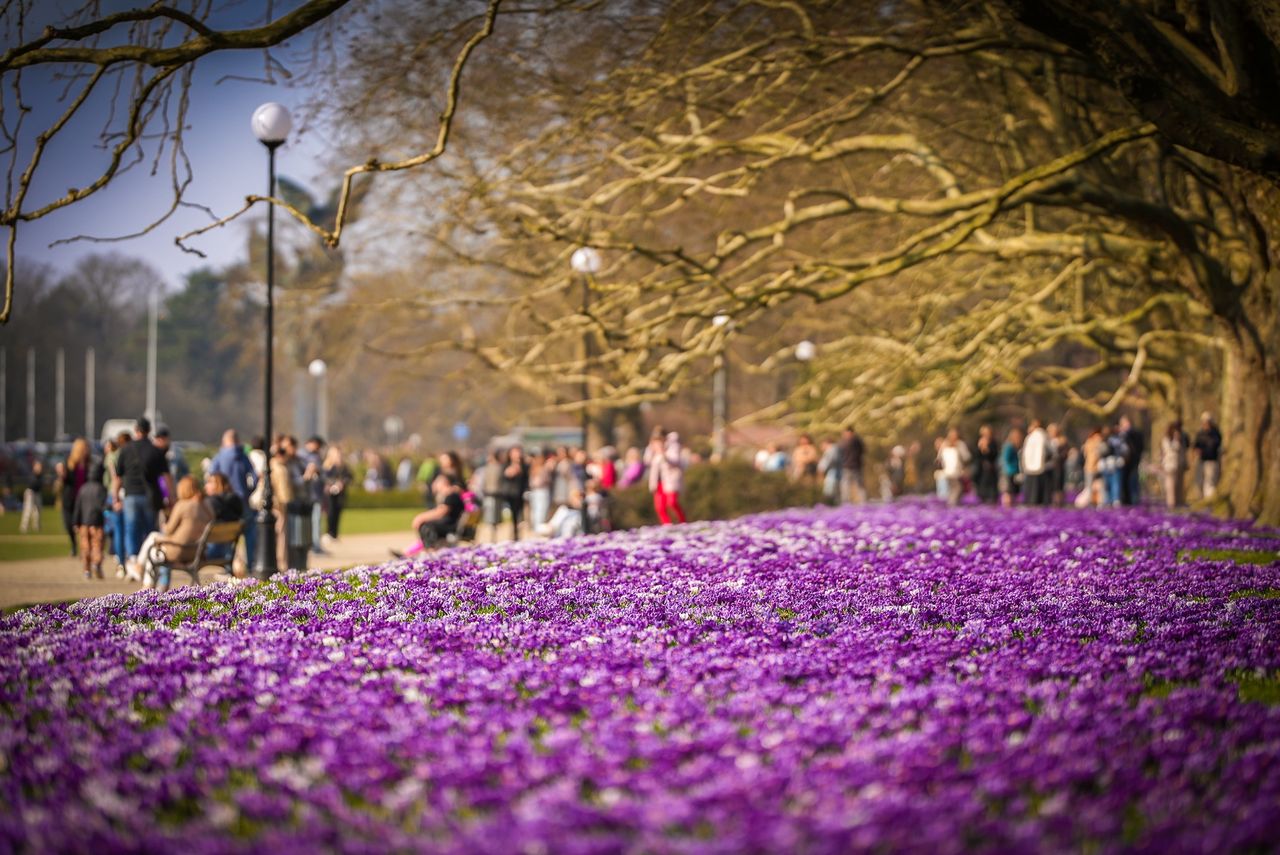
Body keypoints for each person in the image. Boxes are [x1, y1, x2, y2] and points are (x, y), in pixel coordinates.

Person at [114, 417, 171, 581]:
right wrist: (171, 497)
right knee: (150, 531)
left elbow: (118, 478)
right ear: (149, 431)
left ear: (136, 430)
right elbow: (167, 477)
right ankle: (147, 564)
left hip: (131, 495)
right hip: (150, 496)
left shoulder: (125, 450)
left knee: (131, 529)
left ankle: (133, 562)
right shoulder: (155, 450)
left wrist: (116, 497)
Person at [137, 475, 213, 593]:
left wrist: (164, 525)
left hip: (178, 551)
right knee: (154, 542)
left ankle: (146, 581)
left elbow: (168, 530)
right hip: (197, 552)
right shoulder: (206, 507)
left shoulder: (182, 505)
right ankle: (156, 581)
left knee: (153, 545)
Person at [208, 429, 257, 569]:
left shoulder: (219, 457)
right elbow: (254, 477)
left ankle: (228, 566)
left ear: (224, 441)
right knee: (249, 532)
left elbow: (211, 476)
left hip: (224, 502)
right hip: (242, 500)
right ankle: (251, 564)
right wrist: (248, 491)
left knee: (227, 535)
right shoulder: (243, 457)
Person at [392, 474, 466, 557]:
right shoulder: (450, 495)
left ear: (445, 482)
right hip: (452, 526)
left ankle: (430, 551)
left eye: (437, 482)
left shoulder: (451, 495)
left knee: (426, 526)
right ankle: (409, 552)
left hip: (450, 528)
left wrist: (420, 518)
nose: (434, 484)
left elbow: (441, 512)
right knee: (427, 527)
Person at [71, 462, 108, 580]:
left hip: (84, 523)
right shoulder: (101, 488)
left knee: (85, 547)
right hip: (97, 523)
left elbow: (78, 507)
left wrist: (75, 522)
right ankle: (96, 564)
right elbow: (103, 506)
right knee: (97, 545)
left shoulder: (83, 488)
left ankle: (87, 570)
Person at [202, 472, 244, 564]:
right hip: (228, 553)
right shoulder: (235, 502)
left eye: (209, 482)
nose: (205, 486)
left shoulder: (209, 503)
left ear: (218, 484)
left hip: (209, 552)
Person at [59, 438, 90, 556]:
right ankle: (73, 545)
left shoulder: (88, 463)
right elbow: (65, 481)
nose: (87, 450)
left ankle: (84, 547)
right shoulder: (70, 463)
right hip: (70, 499)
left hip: (83, 499)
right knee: (69, 524)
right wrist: (62, 475)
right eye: (85, 448)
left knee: (82, 525)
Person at [648, 429, 687, 524]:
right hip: (658, 483)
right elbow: (647, 461)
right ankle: (667, 524)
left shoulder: (671, 448)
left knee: (672, 502)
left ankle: (682, 521)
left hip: (670, 481)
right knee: (660, 507)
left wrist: (663, 454)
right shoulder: (654, 452)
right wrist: (651, 449)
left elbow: (675, 461)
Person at [301, 436, 327, 555]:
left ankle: (316, 545)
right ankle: (309, 546)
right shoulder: (301, 455)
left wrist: (318, 471)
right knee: (306, 522)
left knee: (316, 520)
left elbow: (322, 475)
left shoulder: (317, 456)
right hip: (305, 494)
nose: (318, 448)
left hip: (316, 494)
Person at [322, 445, 351, 542]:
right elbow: (324, 478)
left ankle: (335, 534)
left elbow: (349, 477)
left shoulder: (343, 467)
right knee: (330, 513)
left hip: (340, 494)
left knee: (338, 512)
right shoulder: (327, 466)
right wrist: (333, 483)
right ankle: (329, 532)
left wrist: (342, 483)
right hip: (329, 494)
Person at [500, 445, 530, 541]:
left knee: (520, 515)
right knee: (512, 515)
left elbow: (526, 479)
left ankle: (519, 533)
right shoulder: (506, 465)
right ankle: (513, 533)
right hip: (510, 494)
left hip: (520, 494)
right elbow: (503, 476)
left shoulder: (524, 465)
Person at [1192, 412, 1223, 500]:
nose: (1205, 424)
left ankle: (1209, 500)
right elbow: (1195, 445)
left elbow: (1215, 446)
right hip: (1201, 461)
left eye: (1207, 422)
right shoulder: (1200, 433)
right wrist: (1196, 451)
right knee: (1199, 482)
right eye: (1204, 422)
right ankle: (1201, 499)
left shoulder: (1216, 434)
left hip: (1212, 461)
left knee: (1209, 483)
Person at [939, 428, 971, 507]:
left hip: (955, 470)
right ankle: (952, 503)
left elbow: (966, 457)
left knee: (956, 487)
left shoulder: (958, 444)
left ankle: (954, 503)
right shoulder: (948, 444)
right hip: (952, 470)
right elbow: (966, 457)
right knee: (957, 487)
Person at [1161, 421, 1189, 508]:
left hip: (1178, 464)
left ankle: (1179, 501)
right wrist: (1176, 440)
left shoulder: (1182, 439)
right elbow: (1171, 449)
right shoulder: (1167, 440)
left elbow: (1183, 452)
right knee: (1170, 484)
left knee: (1179, 484)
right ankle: (1171, 502)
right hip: (1170, 465)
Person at [1021, 420, 1049, 506]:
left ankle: (1033, 502)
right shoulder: (1036, 436)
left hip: (1034, 467)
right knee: (1033, 488)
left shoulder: (1037, 436)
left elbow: (1040, 452)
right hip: (1035, 466)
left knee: (1034, 488)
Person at [1118, 416, 1144, 506]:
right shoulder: (1120, 434)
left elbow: (1139, 447)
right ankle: (1127, 500)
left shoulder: (1134, 434)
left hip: (1133, 462)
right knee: (1124, 482)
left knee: (1133, 481)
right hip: (1124, 463)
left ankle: (1133, 500)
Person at [838, 427, 866, 504]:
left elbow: (862, 451)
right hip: (846, 466)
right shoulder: (842, 442)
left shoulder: (857, 442)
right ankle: (845, 501)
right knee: (845, 485)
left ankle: (863, 501)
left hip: (856, 466)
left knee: (859, 484)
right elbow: (840, 454)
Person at [1103, 424, 1128, 507]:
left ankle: (1111, 499)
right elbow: (1125, 450)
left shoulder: (1110, 440)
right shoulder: (1118, 440)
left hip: (1111, 463)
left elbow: (1125, 450)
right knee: (1113, 482)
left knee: (1112, 482)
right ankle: (1112, 499)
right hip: (1112, 462)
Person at [972, 426, 999, 503]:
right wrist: (980, 448)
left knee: (991, 486)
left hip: (991, 469)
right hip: (981, 470)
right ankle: (983, 499)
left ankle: (991, 499)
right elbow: (976, 455)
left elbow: (994, 454)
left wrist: (986, 449)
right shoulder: (978, 442)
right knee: (982, 485)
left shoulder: (993, 442)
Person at [528, 449, 553, 534]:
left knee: (538, 510)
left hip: (537, 491)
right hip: (540, 491)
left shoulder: (538, 467)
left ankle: (537, 528)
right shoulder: (539, 468)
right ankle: (538, 528)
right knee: (539, 510)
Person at [1081, 427, 1105, 507]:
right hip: (1095, 467)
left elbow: (1085, 454)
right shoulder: (1098, 441)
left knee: (1090, 486)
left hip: (1090, 467)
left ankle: (1092, 502)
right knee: (1098, 486)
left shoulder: (1088, 442)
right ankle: (1098, 502)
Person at [999, 428, 1022, 508]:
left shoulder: (1011, 446)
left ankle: (1009, 506)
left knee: (1011, 490)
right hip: (1008, 471)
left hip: (1011, 471)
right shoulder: (1009, 446)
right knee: (1008, 490)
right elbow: (1005, 459)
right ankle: (1007, 506)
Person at [20, 459, 43, 533]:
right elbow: (32, 485)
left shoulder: (40, 475)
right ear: (34, 467)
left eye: (40, 466)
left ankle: (36, 526)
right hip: (30, 492)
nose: (39, 468)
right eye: (38, 466)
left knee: (38, 510)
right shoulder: (32, 474)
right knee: (28, 510)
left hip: (37, 493)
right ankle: (24, 527)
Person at [819, 438, 841, 505]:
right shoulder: (836, 449)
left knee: (830, 490)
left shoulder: (831, 450)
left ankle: (830, 504)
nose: (821, 447)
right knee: (835, 489)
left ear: (826, 443)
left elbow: (828, 462)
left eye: (822, 445)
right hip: (835, 471)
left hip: (832, 471)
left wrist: (822, 469)